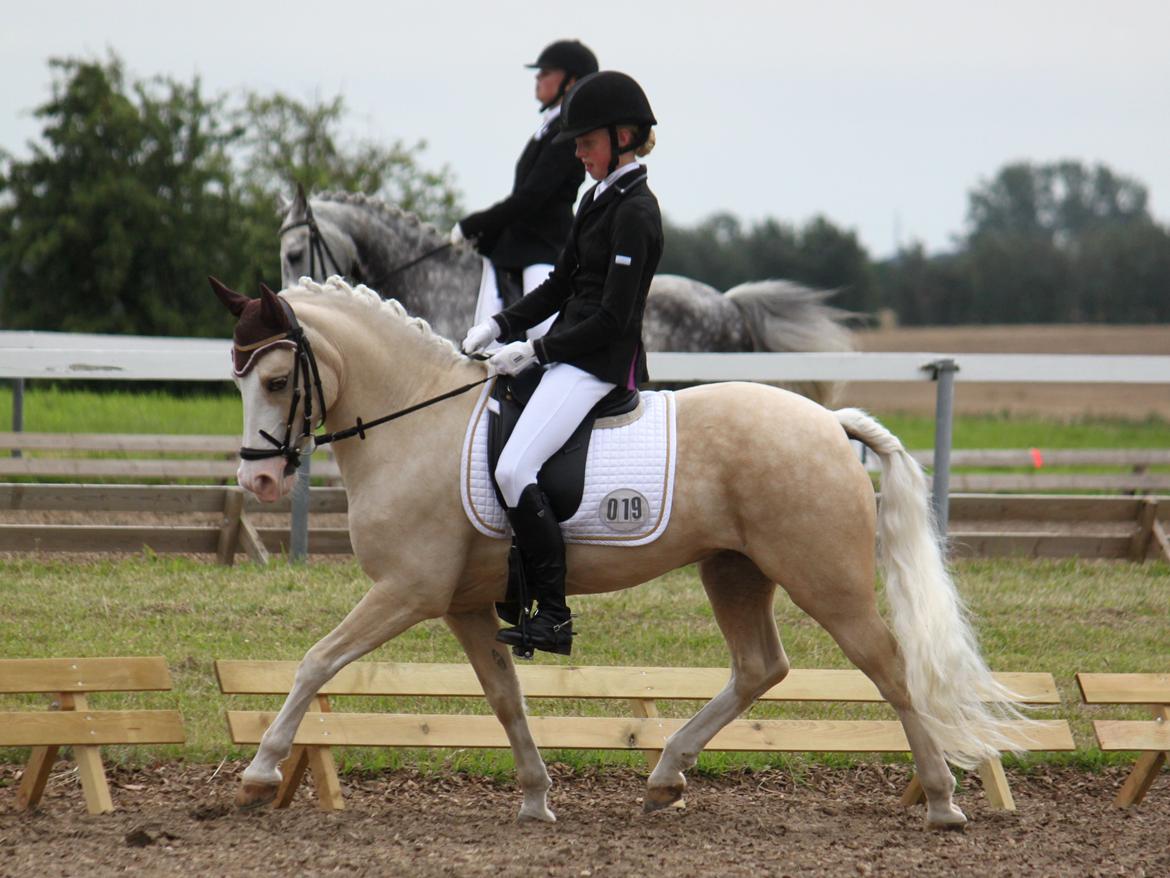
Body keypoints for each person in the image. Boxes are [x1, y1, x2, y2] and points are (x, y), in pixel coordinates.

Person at [461, 71, 662, 656]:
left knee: (514, 469)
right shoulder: (595, 198)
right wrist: (501, 325)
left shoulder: (637, 213)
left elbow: (613, 318)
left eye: (586, 143)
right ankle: (516, 581)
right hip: (568, 352)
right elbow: (559, 286)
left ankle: (552, 613)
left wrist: (539, 350)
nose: (577, 152)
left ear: (623, 137)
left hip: (598, 363)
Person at [451, 40, 599, 338]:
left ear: (571, 81)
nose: (538, 78)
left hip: (543, 248)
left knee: (541, 333)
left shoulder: (567, 135)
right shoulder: (546, 129)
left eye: (546, 72)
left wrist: (473, 225)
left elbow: (531, 198)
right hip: (519, 244)